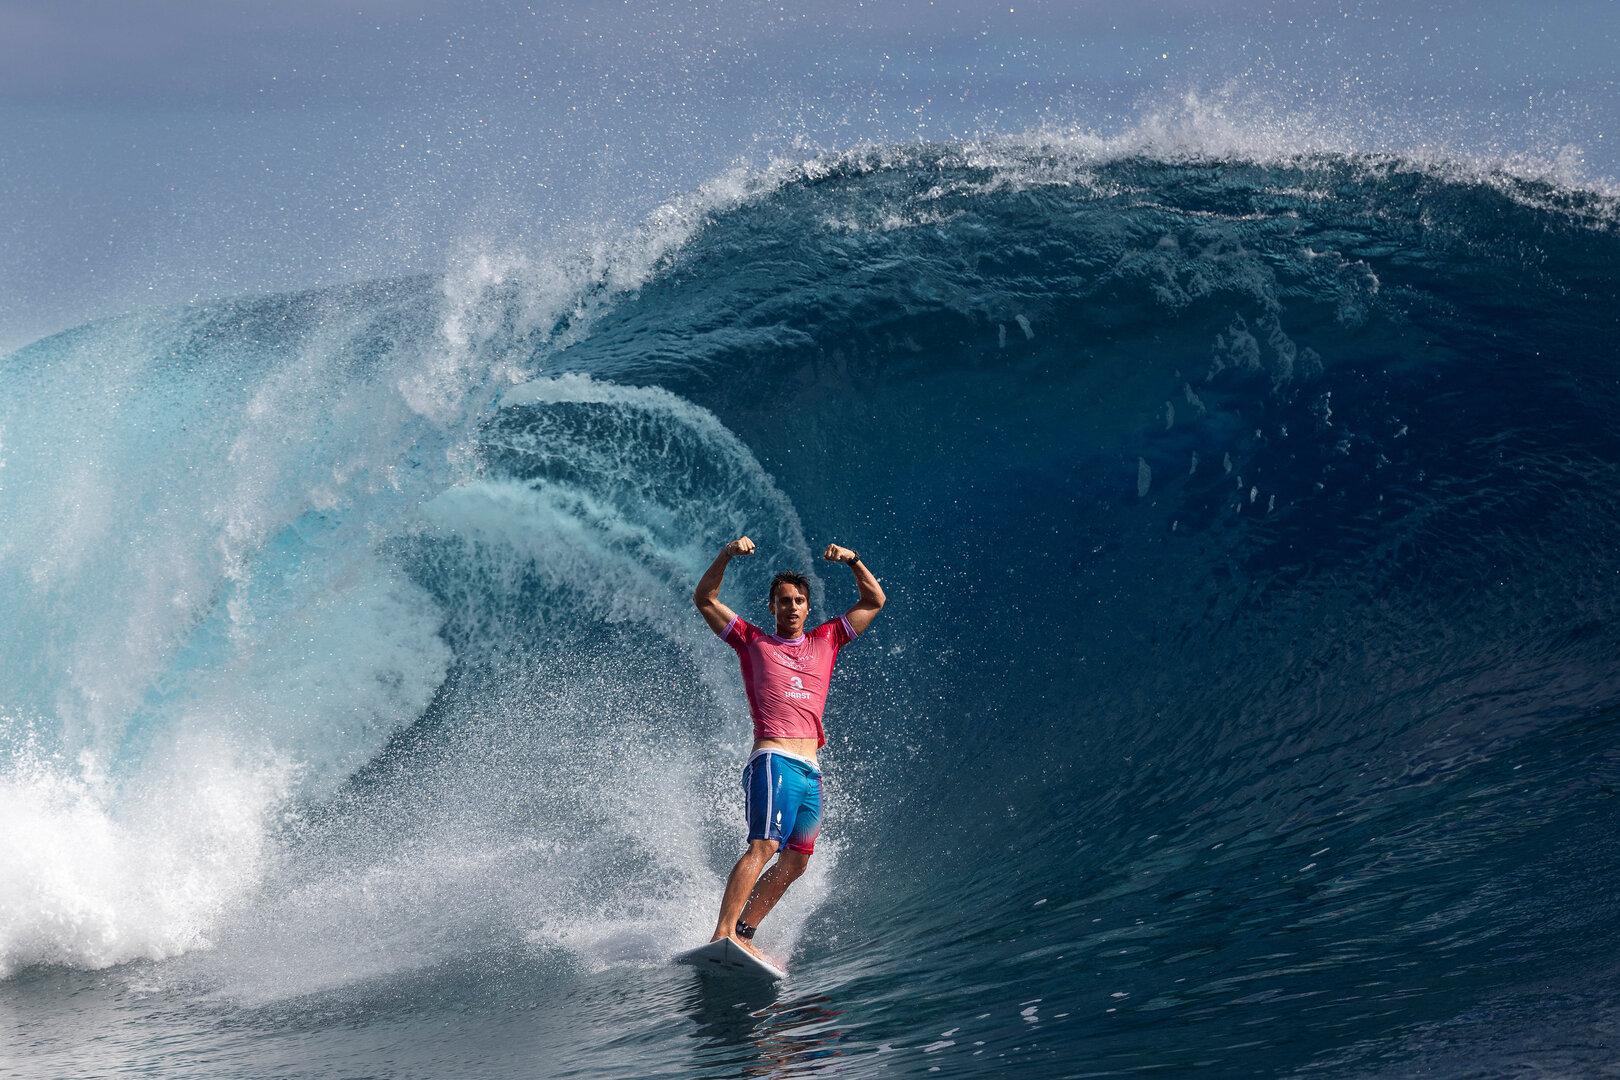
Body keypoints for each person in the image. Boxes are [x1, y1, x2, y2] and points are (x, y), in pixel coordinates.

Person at [692, 535, 885, 958]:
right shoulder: (751, 641)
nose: (792, 606)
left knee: (796, 861)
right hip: (774, 758)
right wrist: (726, 554)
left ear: (807, 607)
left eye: (798, 600)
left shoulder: (827, 640)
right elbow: (704, 598)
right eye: (783, 601)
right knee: (764, 846)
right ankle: (722, 933)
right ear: (772, 607)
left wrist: (852, 559)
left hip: (810, 770)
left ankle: (744, 930)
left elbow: (873, 601)